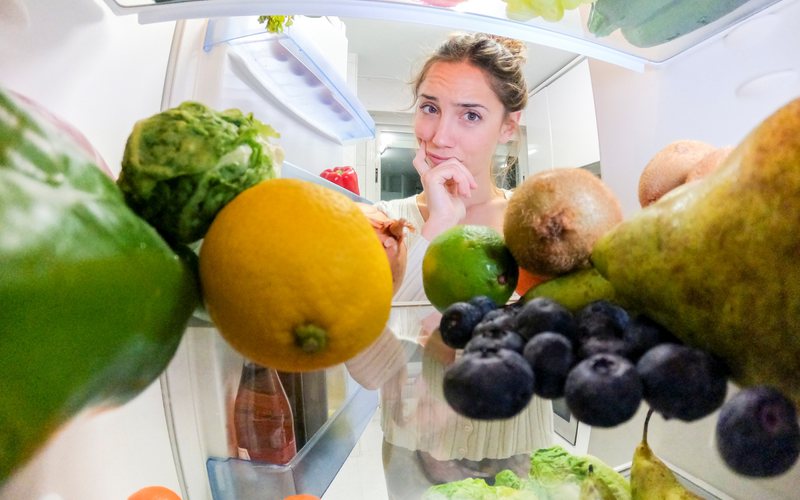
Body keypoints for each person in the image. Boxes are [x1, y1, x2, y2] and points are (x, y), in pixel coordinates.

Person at [346, 32, 554, 499]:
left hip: (516, 448)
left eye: (471, 115)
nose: (440, 136)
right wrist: (436, 226)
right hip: (415, 454)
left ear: (508, 126)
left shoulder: (535, 225)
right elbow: (367, 369)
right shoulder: (386, 224)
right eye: (429, 107)